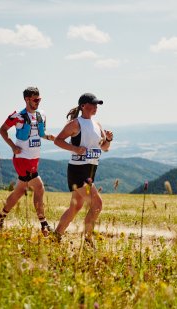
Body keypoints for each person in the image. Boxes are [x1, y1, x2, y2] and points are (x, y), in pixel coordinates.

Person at [0, 86, 55, 236]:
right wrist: (13, 146)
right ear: (27, 99)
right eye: (35, 99)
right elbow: (2, 130)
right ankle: (44, 224)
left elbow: (40, 133)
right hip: (22, 159)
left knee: (20, 190)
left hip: (34, 158)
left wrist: (48, 137)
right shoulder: (17, 116)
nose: (38, 102)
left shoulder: (42, 114)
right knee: (39, 187)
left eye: (39, 99)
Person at [53, 92, 113, 245]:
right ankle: (87, 240)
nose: (95, 107)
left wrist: (109, 139)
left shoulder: (97, 124)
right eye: (92, 104)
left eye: (97, 104)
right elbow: (58, 141)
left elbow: (105, 148)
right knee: (97, 204)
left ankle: (56, 237)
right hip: (78, 170)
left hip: (91, 169)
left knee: (76, 206)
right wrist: (74, 148)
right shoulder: (75, 124)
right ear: (83, 106)